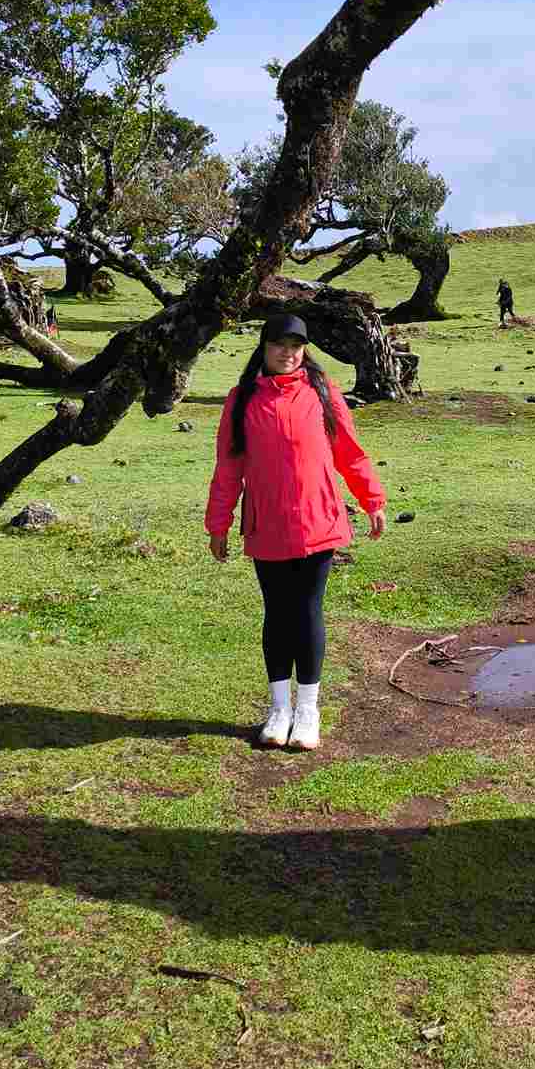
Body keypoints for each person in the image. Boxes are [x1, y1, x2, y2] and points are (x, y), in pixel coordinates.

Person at [205, 313, 386, 751]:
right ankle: (279, 708)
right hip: (267, 524)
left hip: (318, 521)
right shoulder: (242, 400)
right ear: (264, 348)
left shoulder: (323, 394)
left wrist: (373, 500)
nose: (288, 353)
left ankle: (308, 710)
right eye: (279, 345)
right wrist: (219, 522)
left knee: (307, 613)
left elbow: (350, 453)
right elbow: (229, 466)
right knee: (277, 615)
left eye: (296, 345)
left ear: (304, 350)